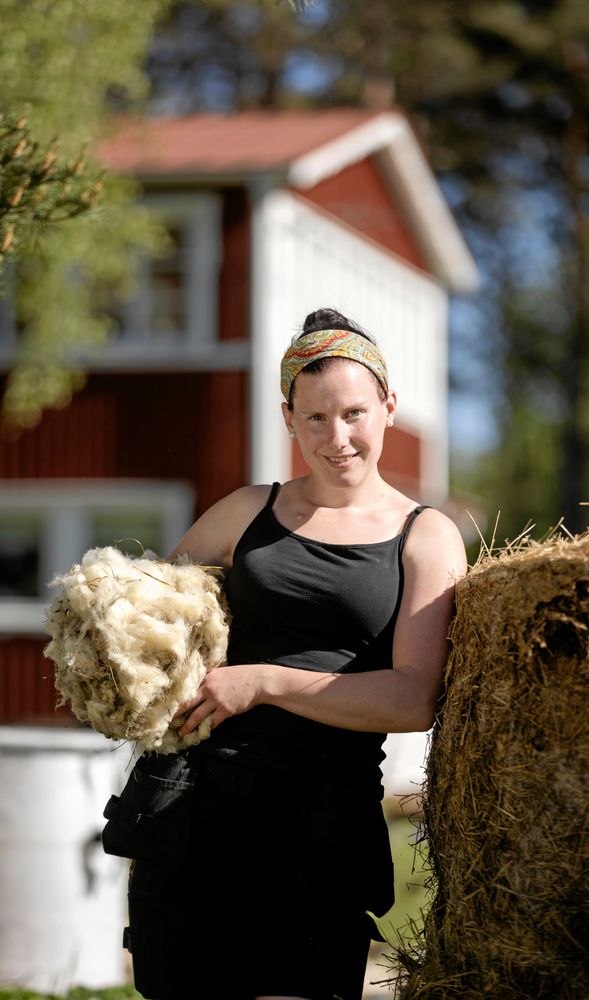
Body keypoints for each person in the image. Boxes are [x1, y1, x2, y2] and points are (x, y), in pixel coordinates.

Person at [123, 307, 467, 1000]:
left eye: (353, 413)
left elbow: (411, 699)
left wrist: (261, 683)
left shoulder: (424, 536)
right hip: (189, 807)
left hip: (319, 823)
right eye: (314, 418)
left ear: (388, 407)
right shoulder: (245, 510)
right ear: (287, 418)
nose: (336, 438)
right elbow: (144, 624)